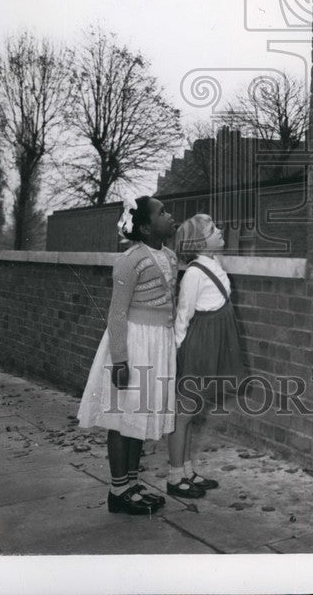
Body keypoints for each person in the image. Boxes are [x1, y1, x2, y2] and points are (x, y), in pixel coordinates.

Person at [77, 195, 178, 515]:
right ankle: (118, 491)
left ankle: (132, 485)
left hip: (157, 343)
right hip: (134, 344)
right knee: (123, 417)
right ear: (147, 227)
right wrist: (119, 359)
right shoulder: (130, 259)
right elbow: (117, 313)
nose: (170, 215)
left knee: (140, 415)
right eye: (163, 212)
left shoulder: (171, 257)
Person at [165, 213, 246, 499]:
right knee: (184, 412)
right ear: (199, 242)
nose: (220, 229)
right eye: (213, 229)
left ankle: (187, 470)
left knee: (193, 410)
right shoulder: (196, 273)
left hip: (216, 342)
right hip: (199, 345)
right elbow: (183, 315)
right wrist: (176, 354)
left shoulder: (213, 264)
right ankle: (175, 476)